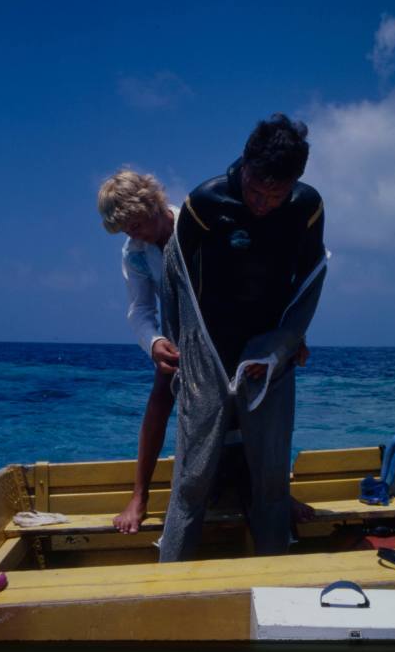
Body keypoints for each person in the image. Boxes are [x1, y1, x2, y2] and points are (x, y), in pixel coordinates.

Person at [159, 112, 328, 562]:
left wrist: (287, 343)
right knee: (191, 482)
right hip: (207, 352)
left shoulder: (307, 207)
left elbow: (311, 278)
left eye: (276, 194)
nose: (263, 202)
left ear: (294, 183)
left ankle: (276, 577)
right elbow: (173, 280)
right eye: (256, 190)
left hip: (268, 357)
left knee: (272, 480)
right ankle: (168, 582)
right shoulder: (205, 201)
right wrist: (175, 348)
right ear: (245, 164)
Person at [97, 169, 180, 533]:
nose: (134, 234)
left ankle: (272, 490)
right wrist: (155, 343)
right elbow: (141, 310)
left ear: (154, 203)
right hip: (176, 330)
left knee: (252, 402)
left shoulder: (197, 225)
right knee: (160, 396)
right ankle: (140, 495)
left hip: (225, 327)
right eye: (126, 229)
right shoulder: (134, 252)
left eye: (137, 224)